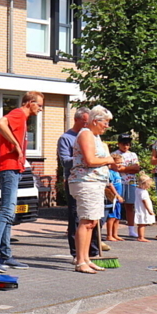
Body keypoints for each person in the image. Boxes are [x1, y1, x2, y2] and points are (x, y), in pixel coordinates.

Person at [0, 91, 43, 272]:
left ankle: (5, 255)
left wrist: (6, 147)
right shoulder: (18, 114)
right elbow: (0, 123)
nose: (40, 109)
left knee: (10, 213)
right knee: (7, 211)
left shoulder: (21, 120)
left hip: (12, 167)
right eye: (39, 105)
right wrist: (15, 145)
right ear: (30, 103)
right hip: (9, 168)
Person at [69, 105, 114, 274]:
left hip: (95, 182)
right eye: (105, 122)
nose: (107, 126)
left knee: (92, 222)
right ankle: (80, 261)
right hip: (86, 182)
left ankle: (86, 258)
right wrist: (108, 159)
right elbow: (89, 160)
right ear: (95, 121)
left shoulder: (95, 136)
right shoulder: (86, 134)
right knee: (86, 221)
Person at [57, 107, 102, 258]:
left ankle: (92, 251)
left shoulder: (93, 136)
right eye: (84, 121)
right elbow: (64, 161)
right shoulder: (66, 138)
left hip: (93, 181)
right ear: (76, 120)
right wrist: (85, 158)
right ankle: (77, 253)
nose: (87, 124)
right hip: (76, 181)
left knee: (93, 217)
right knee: (77, 217)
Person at [112, 134, 141, 238]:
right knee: (117, 206)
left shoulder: (133, 155)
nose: (125, 146)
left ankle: (131, 229)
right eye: (123, 144)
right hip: (118, 182)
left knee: (130, 205)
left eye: (128, 144)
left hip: (131, 182)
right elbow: (115, 168)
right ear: (119, 144)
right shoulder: (114, 154)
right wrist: (130, 168)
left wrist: (124, 169)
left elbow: (137, 168)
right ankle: (113, 231)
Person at [104, 154, 125, 242]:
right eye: (117, 163)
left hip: (118, 198)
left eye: (121, 163)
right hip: (113, 197)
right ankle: (109, 235)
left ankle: (115, 234)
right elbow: (110, 185)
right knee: (111, 217)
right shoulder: (110, 172)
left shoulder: (117, 172)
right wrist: (116, 195)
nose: (120, 165)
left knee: (117, 217)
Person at [132, 173, 156, 242]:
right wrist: (149, 210)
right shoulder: (143, 192)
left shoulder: (137, 190)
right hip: (143, 209)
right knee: (142, 224)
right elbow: (145, 202)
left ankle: (140, 236)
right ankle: (141, 237)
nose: (149, 186)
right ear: (144, 184)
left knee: (141, 224)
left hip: (139, 208)